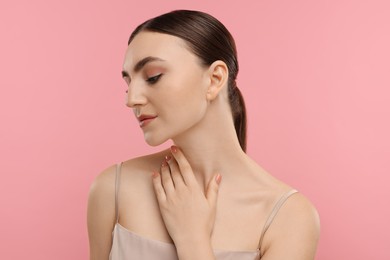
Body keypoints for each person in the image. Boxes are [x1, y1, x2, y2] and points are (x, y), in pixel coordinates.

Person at [87, 9, 320, 260]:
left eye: (153, 77)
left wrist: (193, 241)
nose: (132, 99)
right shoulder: (113, 188)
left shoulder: (289, 217)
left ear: (215, 79)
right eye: (128, 83)